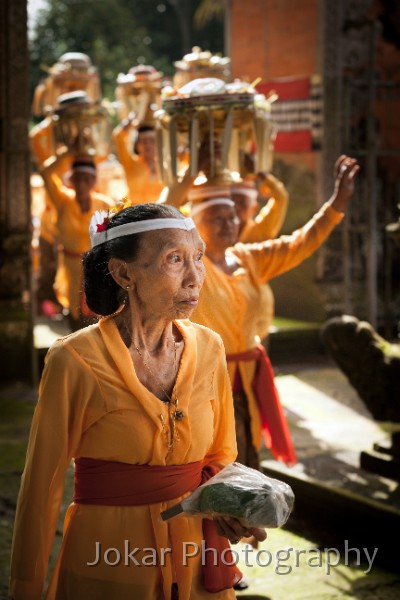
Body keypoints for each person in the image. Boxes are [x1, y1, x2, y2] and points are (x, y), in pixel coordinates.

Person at [9, 203, 266, 600]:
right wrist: (25, 590)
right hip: (107, 564)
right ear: (123, 272)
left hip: (196, 565)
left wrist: (231, 507)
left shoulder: (210, 348)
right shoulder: (74, 360)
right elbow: (41, 489)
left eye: (197, 257)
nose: (195, 276)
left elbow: (220, 456)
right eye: (174, 259)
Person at [188, 155, 360, 472]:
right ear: (196, 223)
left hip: (250, 377)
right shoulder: (188, 267)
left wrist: (336, 204)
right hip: (206, 382)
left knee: (250, 456)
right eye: (216, 218)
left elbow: (299, 244)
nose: (229, 224)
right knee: (214, 461)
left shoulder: (249, 258)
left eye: (232, 217)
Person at [40, 148, 114, 331]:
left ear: (93, 182)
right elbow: (46, 173)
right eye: (77, 179)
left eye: (86, 179)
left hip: (97, 268)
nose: (81, 184)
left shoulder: (105, 204)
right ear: (71, 181)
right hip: (70, 267)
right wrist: (66, 153)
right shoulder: (62, 201)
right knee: (74, 313)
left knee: (98, 314)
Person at [112, 119, 165, 203]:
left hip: (160, 213)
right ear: (137, 145)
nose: (148, 145)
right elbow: (119, 137)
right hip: (134, 212)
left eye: (152, 141)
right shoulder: (131, 163)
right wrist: (135, 118)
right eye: (144, 141)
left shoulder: (165, 167)